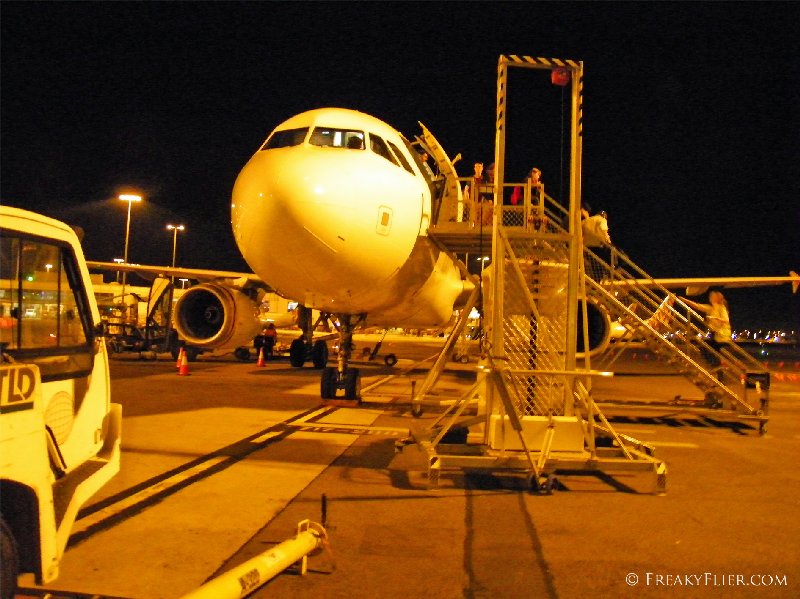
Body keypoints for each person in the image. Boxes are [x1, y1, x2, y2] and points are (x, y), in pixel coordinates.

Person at [680, 291, 732, 366]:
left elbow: (726, 320)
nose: (710, 298)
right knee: (708, 349)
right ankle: (718, 366)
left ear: (717, 298)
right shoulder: (711, 308)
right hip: (715, 335)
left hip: (722, 335)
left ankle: (718, 364)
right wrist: (684, 300)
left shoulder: (721, 308)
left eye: (712, 296)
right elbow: (697, 306)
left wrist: (713, 318)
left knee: (706, 348)